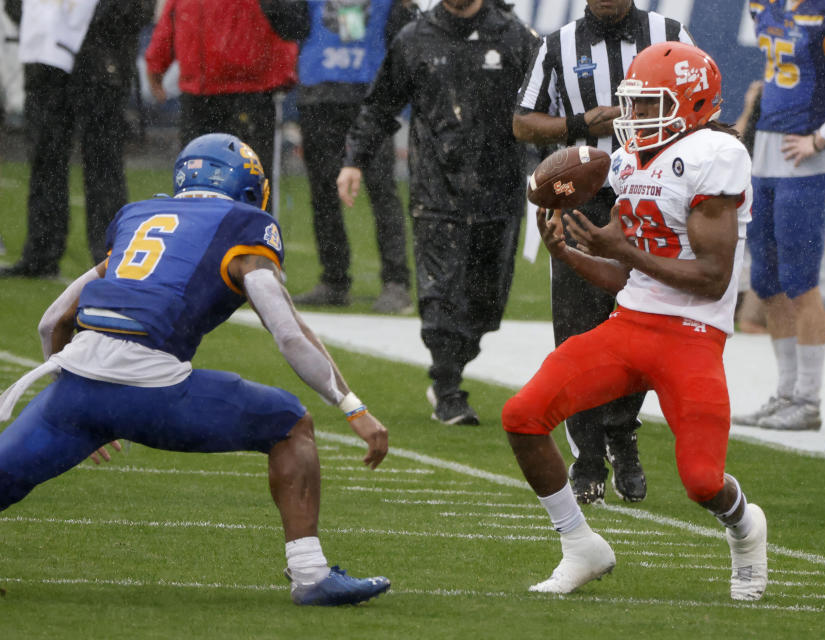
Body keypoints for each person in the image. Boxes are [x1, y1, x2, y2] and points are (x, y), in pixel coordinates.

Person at [0, 133, 391, 606]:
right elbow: (288, 334)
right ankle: (310, 574)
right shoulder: (245, 226)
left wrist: (72, 401)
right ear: (249, 187)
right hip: (155, 391)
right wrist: (353, 407)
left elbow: (53, 319)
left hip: (77, 384)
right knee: (290, 424)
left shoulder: (138, 215)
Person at [502, 42, 768, 601]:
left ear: (692, 103)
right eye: (633, 104)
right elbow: (628, 280)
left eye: (650, 105)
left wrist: (622, 251)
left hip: (693, 336)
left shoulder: (715, 153)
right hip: (631, 326)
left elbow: (712, 277)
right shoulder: (628, 160)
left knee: (702, 483)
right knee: (522, 415)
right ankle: (580, 545)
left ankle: (746, 529)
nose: (635, 117)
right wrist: (570, 255)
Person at [512, 0, 694, 504]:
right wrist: (581, 126)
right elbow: (523, 123)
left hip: (651, 199)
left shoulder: (672, 33)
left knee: (639, 323)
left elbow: (704, 108)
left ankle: (623, 432)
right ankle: (588, 457)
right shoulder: (558, 45)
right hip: (583, 201)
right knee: (577, 329)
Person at [337, 0, 540, 425]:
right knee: (440, 295)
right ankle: (448, 389)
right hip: (435, 189)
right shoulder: (415, 37)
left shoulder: (514, 36)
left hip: (498, 190)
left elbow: (543, 109)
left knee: (485, 305)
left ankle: (453, 365)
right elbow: (381, 104)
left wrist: (553, 169)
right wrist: (354, 160)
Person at [734, 0, 825, 431]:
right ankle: (786, 393)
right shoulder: (767, 7)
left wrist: (821, 138)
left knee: (800, 282)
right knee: (767, 282)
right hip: (766, 156)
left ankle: (808, 400)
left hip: (804, 161)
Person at [0, 0, 152, 278]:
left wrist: (86, 25)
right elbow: (15, 6)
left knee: (102, 163)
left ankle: (109, 257)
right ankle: (41, 254)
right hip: (49, 66)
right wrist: (51, 24)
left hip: (101, 62)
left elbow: (139, 10)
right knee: (46, 159)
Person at [293, 0, 415, 314]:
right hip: (321, 90)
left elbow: (403, 30)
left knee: (382, 189)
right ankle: (334, 280)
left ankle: (395, 282)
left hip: (369, 93)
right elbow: (288, 21)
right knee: (324, 192)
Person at [145, 0, 303, 205]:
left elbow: (173, 16)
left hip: (211, 91)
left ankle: (207, 233)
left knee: (197, 181)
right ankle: (256, 233)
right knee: (253, 184)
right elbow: (285, 19)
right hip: (244, 90)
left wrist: (156, 63)